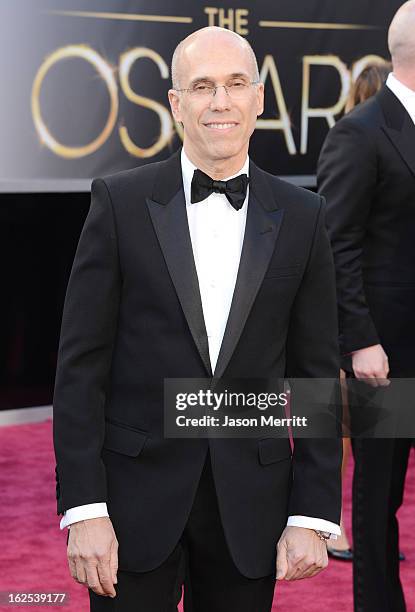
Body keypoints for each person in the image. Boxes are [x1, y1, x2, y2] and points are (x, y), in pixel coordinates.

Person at [53, 26, 341, 612]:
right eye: (202, 86)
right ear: (176, 104)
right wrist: (84, 509)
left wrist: (313, 513)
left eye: (236, 84)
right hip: (132, 504)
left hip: (251, 506)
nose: (221, 101)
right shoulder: (120, 202)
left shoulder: (304, 216)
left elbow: (315, 378)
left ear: (260, 98)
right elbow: (80, 368)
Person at [317, 2, 415, 610]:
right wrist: (359, 340)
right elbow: (336, 243)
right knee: (379, 496)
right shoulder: (360, 132)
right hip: (386, 351)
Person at [327, 58, 392, 563]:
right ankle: (332, 524)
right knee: (344, 432)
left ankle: (338, 525)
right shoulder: (359, 142)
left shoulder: (351, 139)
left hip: (353, 320)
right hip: (356, 321)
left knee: (343, 433)